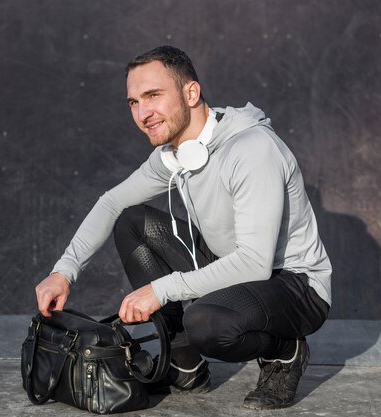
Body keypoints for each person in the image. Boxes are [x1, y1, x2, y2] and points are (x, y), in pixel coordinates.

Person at [35, 45, 331, 410]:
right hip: (233, 263)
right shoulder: (175, 155)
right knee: (132, 222)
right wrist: (63, 271)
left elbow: (255, 262)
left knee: (205, 322)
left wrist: (162, 290)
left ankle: (285, 352)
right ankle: (185, 361)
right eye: (133, 103)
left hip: (294, 283)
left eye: (153, 96)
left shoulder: (252, 149)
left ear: (191, 93)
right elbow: (112, 202)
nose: (143, 113)